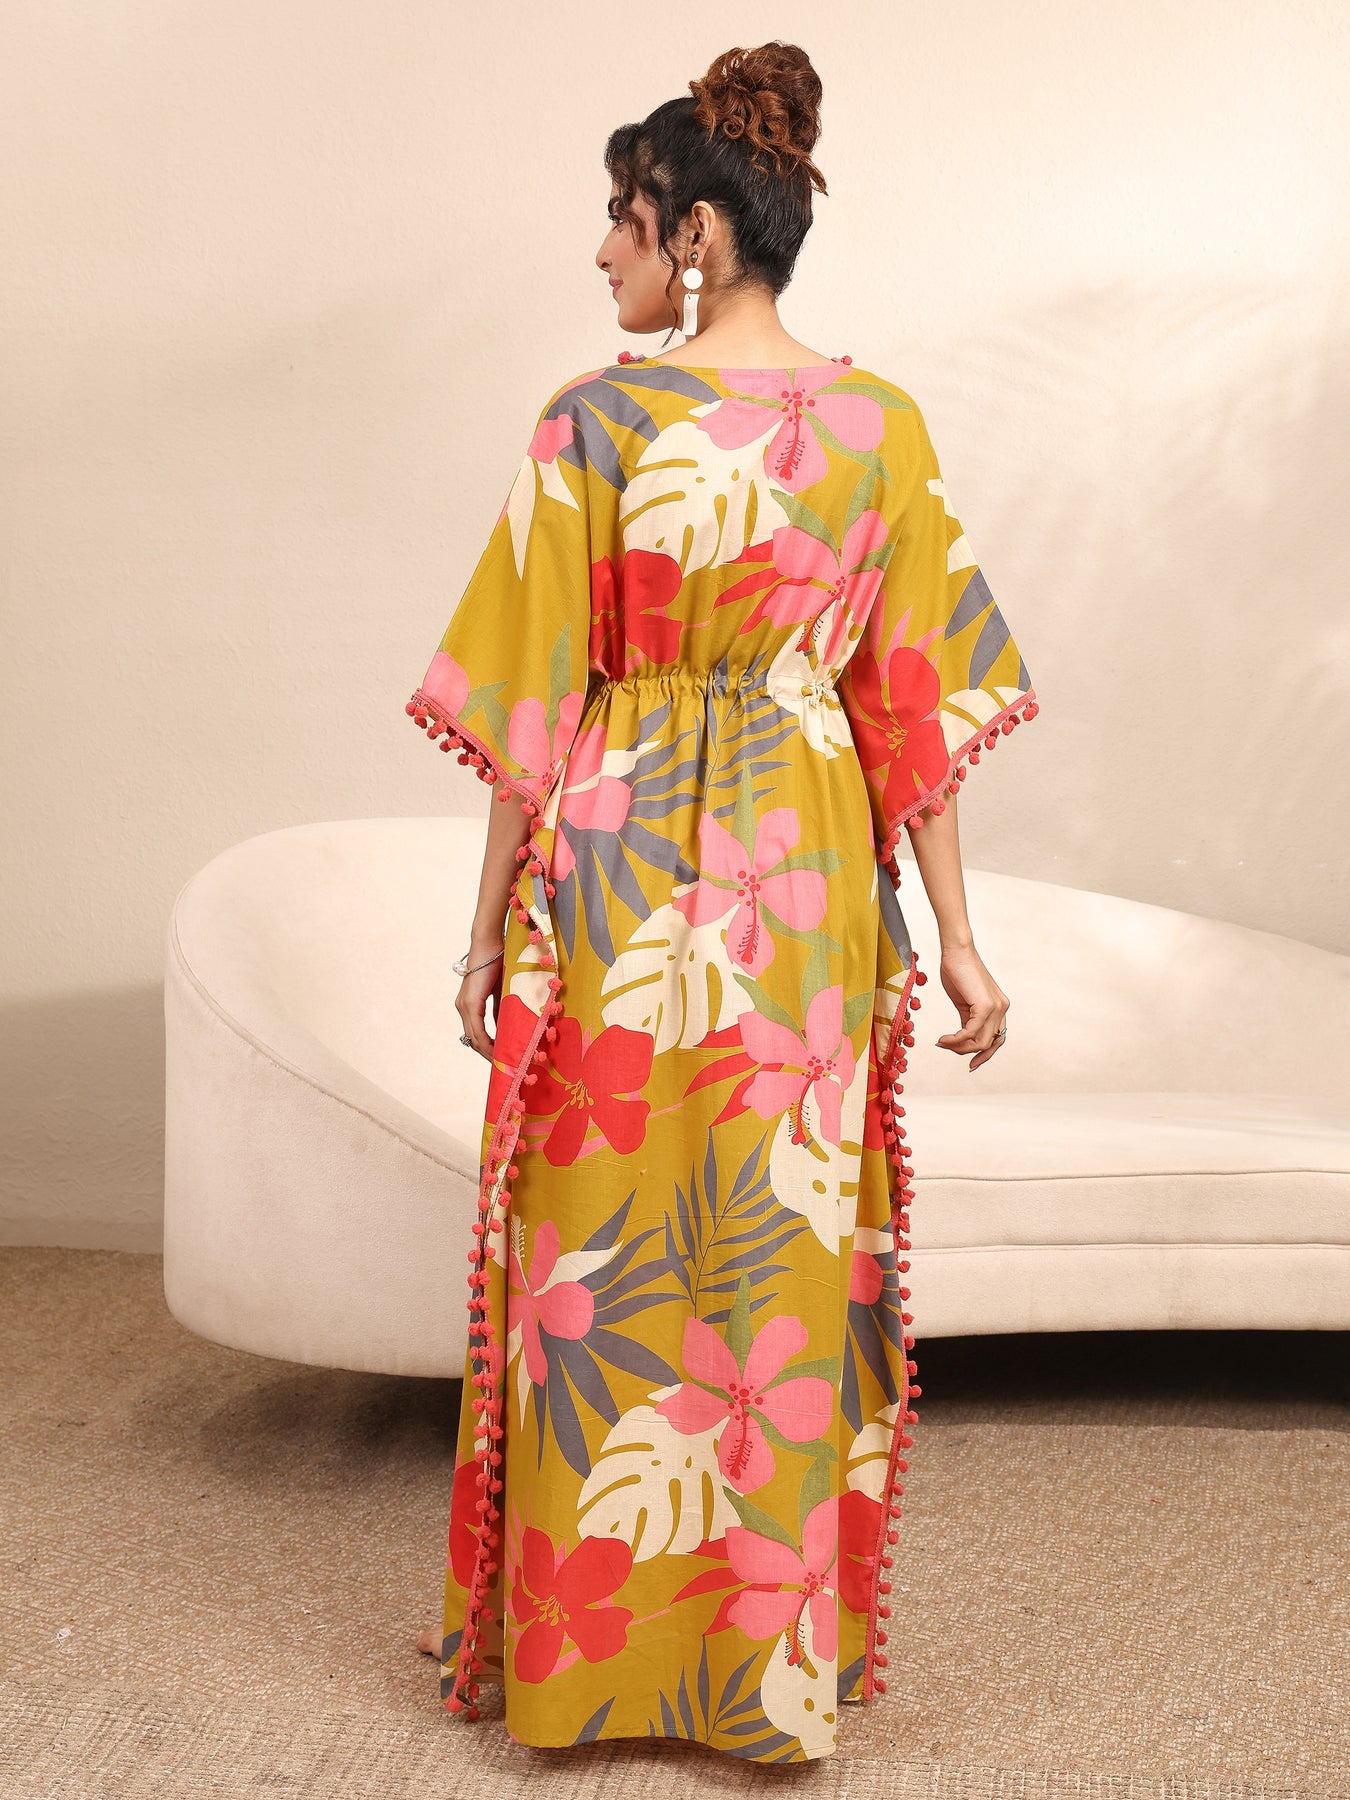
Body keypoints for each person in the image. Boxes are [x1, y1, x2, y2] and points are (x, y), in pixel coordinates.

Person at [406, 40, 1039, 1763]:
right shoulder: (878, 425)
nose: (600, 252)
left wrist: (485, 926)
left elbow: (534, 697)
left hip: (617, 868)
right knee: (773, 1253)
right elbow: (910, 710)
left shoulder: (594, 421)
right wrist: (955, 939)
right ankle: (759, 1674)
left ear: (691, 231)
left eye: (621, 218)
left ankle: (585, 1663)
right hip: (807, 873)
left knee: (591, 1250)